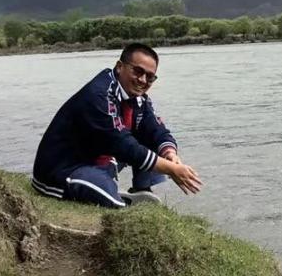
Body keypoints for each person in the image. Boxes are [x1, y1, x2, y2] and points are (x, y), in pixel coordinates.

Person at [32, 42, 202, 208]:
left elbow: (155, 128)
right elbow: (122, 144)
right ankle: (116, 196)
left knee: (151, 138)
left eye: (150, 77)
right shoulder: (99, 95)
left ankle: (141, 188)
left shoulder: (137, 97)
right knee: (114, 203)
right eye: (138, 71)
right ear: (120, 66)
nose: (143, 80)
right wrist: (171, 169)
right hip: (62, 170)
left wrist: (171, 155)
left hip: (95, 158)